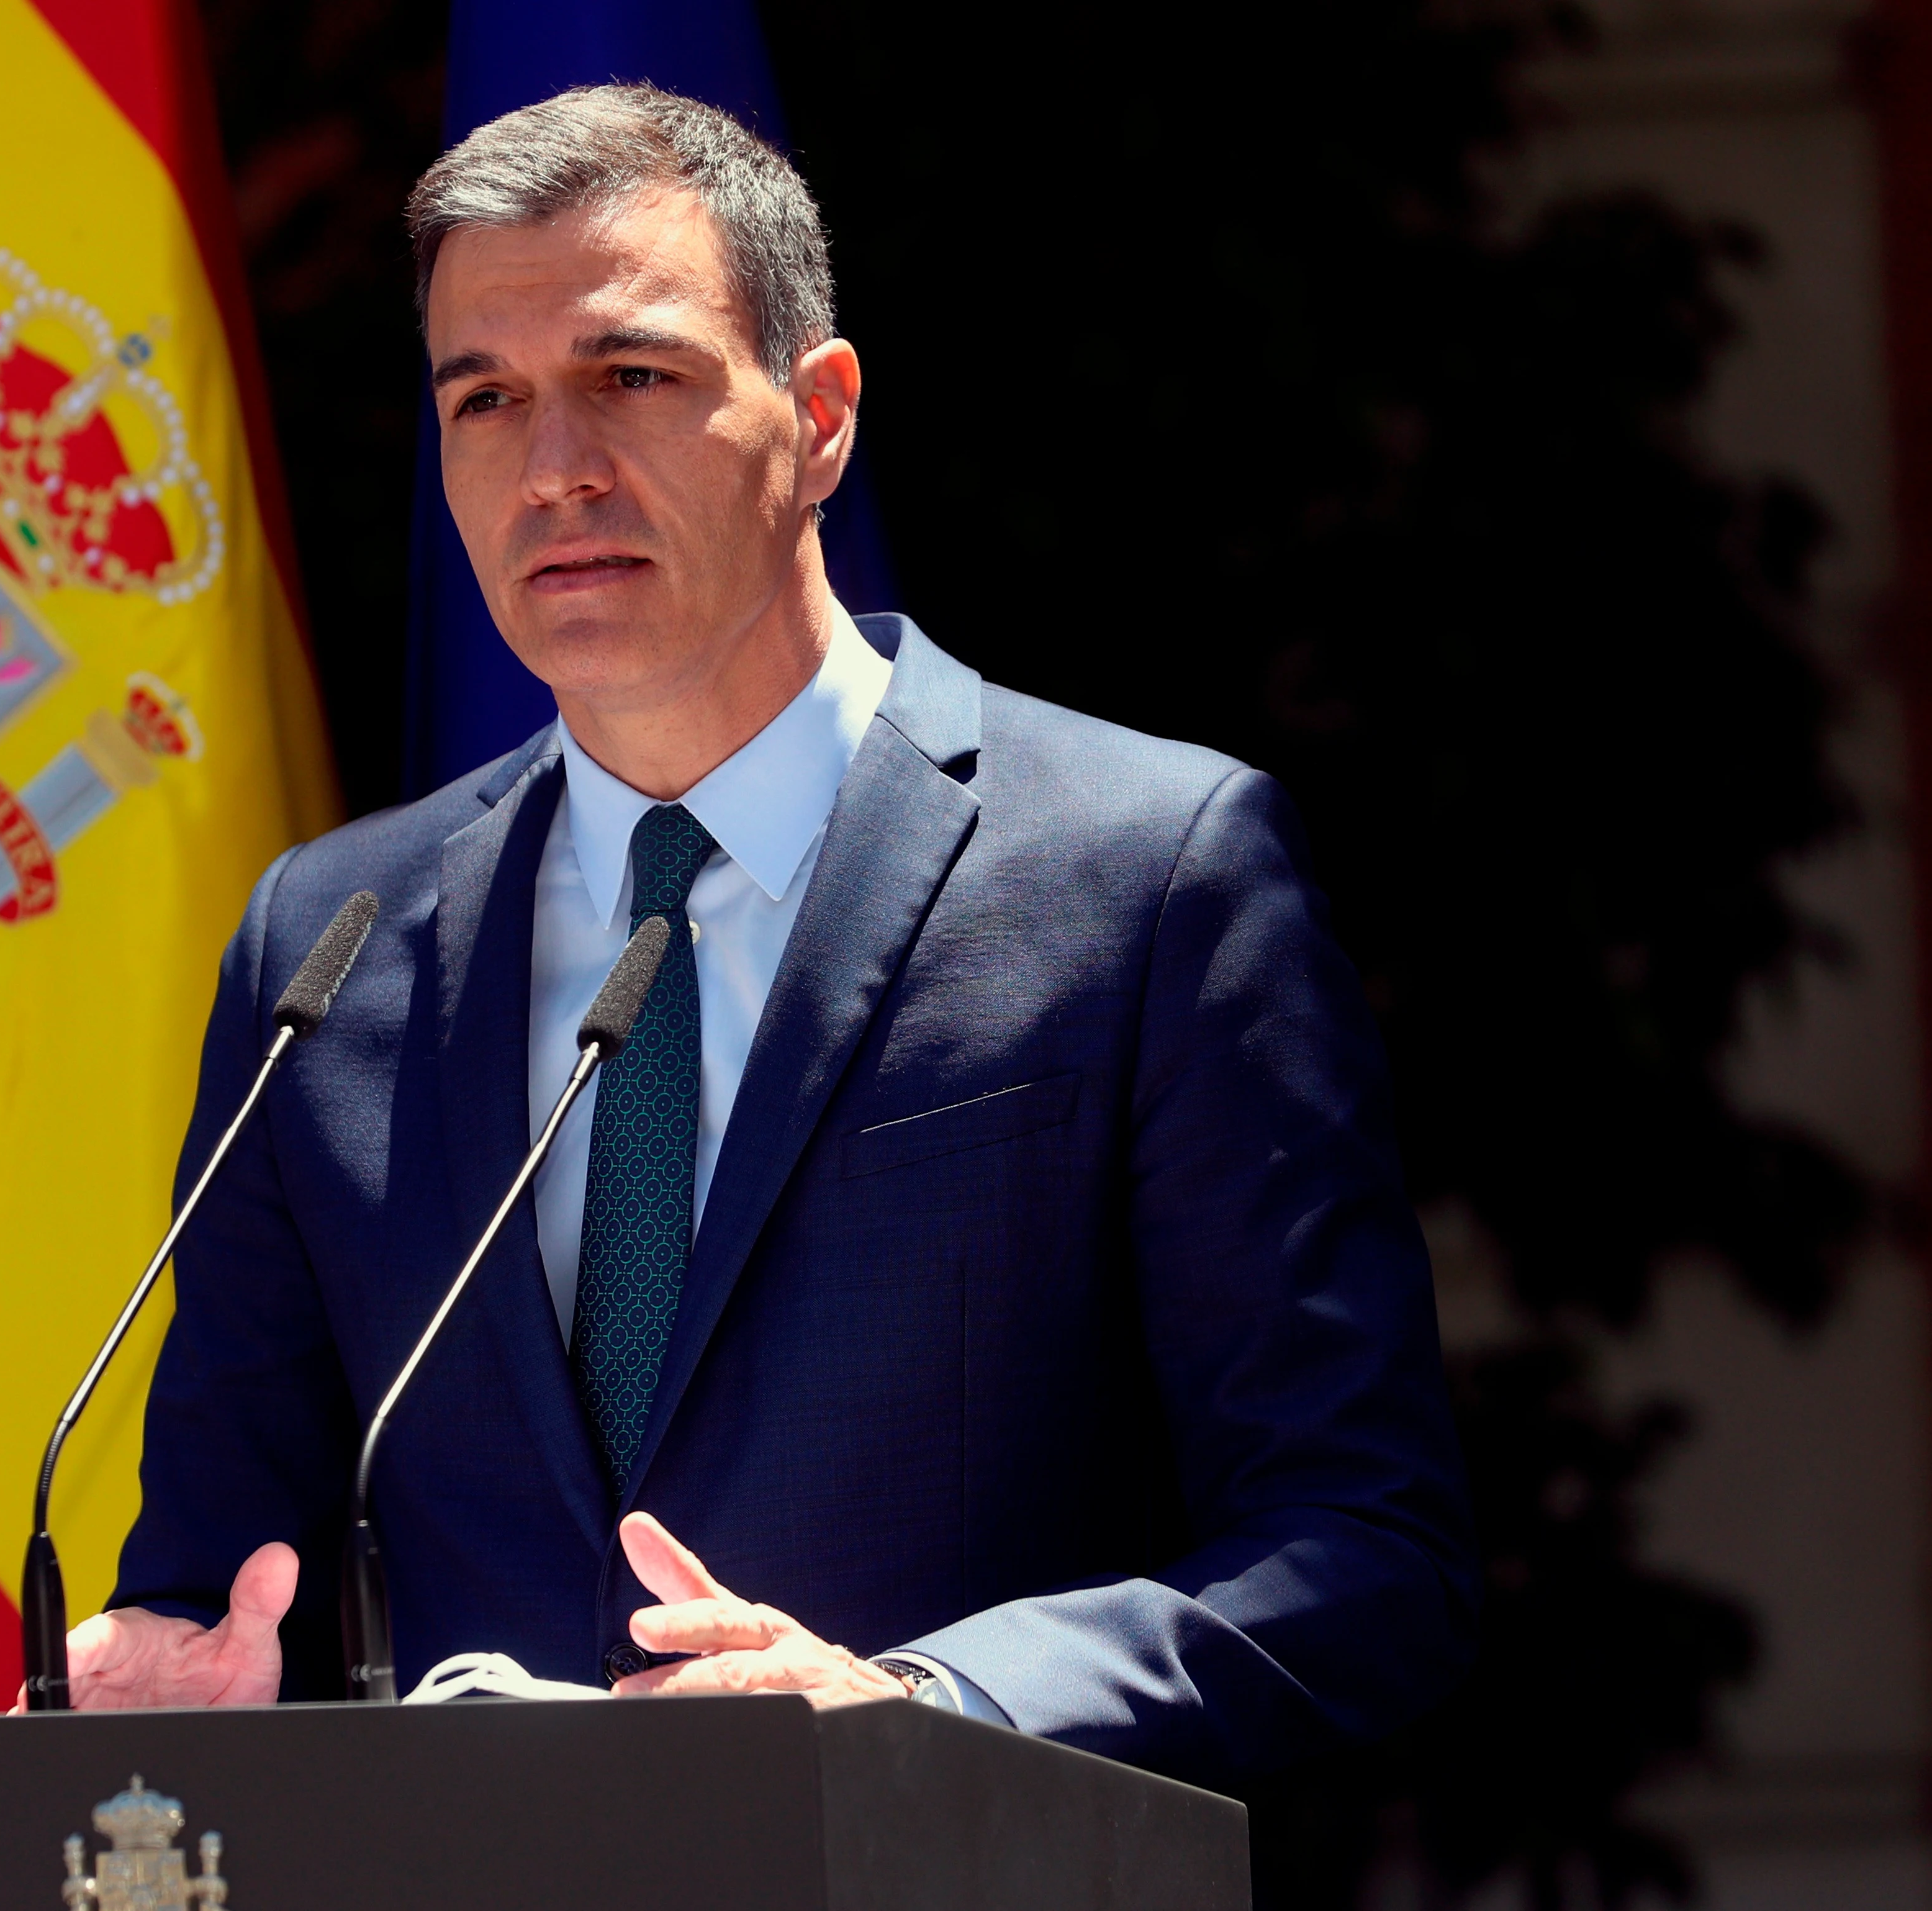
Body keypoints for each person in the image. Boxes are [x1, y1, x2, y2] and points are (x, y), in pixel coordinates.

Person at [72, 81, 1476, 1783]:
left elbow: (1356, 1550)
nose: (555, 468)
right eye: (487, 400)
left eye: (632, 378)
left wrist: (932, 1708)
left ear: (818, 417)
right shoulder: (328, 951)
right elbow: (231, 1585)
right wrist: (154, 1678)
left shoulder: (1152, 880)